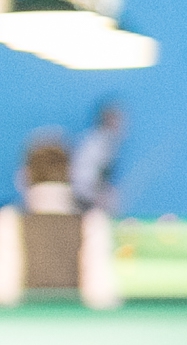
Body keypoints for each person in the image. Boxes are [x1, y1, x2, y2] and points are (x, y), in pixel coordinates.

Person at [0, 135, 118, 309]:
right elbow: (101, 294)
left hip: (24, 322)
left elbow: (5, 292)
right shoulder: (92, 222)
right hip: (77, 322)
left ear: (25, 176)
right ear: (71, 174)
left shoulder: (9, 221)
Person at [69, 100, 123, 213]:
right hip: (85, 191)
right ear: (109, 120)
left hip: (79, 190)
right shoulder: (104, 141)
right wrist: (101, 195)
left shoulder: (91, 138)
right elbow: (100, 171)